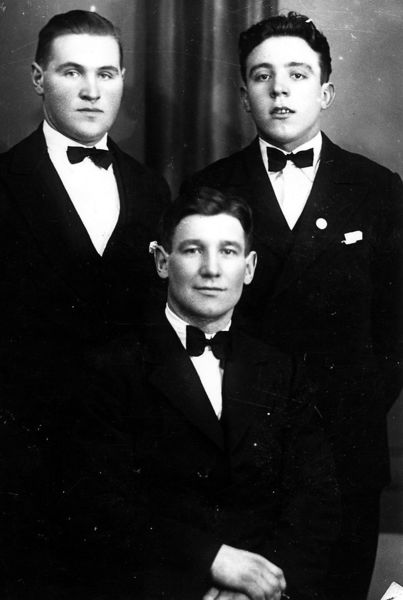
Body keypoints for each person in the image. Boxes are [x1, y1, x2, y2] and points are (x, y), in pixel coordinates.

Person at [181, 12, 403, 600]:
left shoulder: (379, 189)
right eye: (263, 76)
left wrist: (346, 413)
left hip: (344, 456)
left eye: (298, 75)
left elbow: (395, 336)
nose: (280, 89)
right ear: (244, 94)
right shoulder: (209, 187)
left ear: (325, 92)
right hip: (239, 453)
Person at [52, 187, 340, 600]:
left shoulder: (283, 371)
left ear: (249, 267)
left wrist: (255, 588)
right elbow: (100, 508)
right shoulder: (109, 370)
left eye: (228, 251)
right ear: (162, 261)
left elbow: (314, 506)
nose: (211, 270)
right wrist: (210, 561)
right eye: (192, 250)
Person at [0, 10, 169, 597]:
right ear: (38, 77)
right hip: (22, 467)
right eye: (72, 72)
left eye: (106, 73)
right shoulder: (4, 182)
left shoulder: (152, 189)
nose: (93, 91)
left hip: (127, 467)